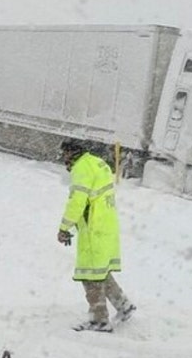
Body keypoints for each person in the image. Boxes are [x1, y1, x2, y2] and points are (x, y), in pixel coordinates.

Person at [56, 139, 136, 332]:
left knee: (90, 276)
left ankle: (98, 320)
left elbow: (77, 202)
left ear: (72, 152)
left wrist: (64, 228)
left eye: (64, 154)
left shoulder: (82, 169)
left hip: (94, 229)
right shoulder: (97, 163)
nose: (62, 158)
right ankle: (123, 305)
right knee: (100, 271)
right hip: (106, 225)